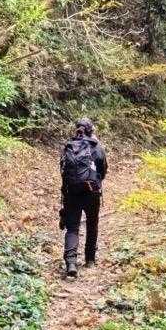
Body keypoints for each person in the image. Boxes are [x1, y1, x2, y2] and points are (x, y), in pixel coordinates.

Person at [58, 118, 108, 277]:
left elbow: (62, 169)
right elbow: (103, 170)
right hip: (92, 192)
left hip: (72, 192)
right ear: (91, 130)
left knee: (72, 227)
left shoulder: (69, 146)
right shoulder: (97, 147)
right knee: (92, 224)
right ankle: (90, 259)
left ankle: (71, 263)